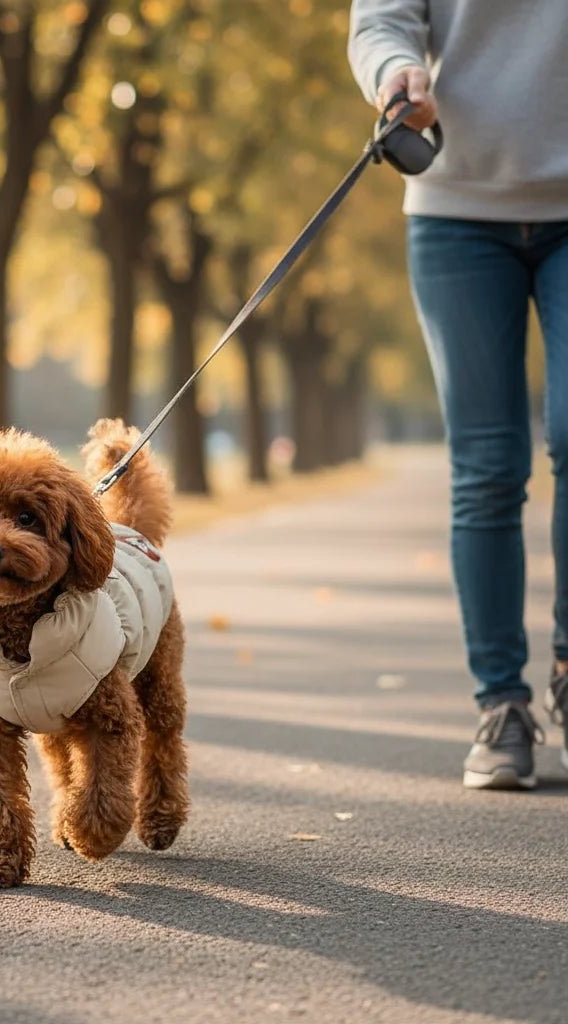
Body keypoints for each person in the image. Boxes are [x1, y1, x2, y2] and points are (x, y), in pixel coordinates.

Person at [348, 0, 568, 789]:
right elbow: (383, 19)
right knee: (486, 465)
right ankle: (501, 705)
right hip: (457, 211)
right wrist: (393, 73)